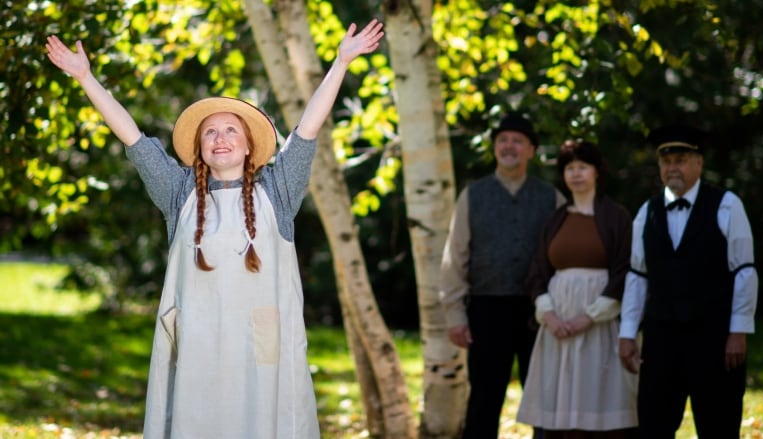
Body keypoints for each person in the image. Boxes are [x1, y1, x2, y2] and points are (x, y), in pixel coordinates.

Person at [46, 20, 383, 439]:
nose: (219, 139)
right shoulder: (179, 191)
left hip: (261, 348)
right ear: (200, 147)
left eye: (230, 131)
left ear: (248, 145)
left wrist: (341, 63)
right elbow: (133, 139)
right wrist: (85, 78)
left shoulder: (278, 189)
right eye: (210, 132)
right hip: (198, 345)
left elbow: (307, 131)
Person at [618, 125, 759, 439]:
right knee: (654, 423)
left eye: (680, 159)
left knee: (718, 423)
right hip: (661, 337)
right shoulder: (647, 211)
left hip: (714, 337)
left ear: (699, 163)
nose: (672, 168)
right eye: (666, 161)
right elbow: (637, 276)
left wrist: (738, 331)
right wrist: (628, 333)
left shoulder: (727, 204)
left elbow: (745, 271)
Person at [439, 112, 565, 438]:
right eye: (503, 140)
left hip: (538, 310)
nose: (509, 146)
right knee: (484, 398)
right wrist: (455, 314)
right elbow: (455, 258)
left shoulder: (551, 197)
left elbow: (564, 256)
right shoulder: (473, 195)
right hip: (486, 308)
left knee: (543, 396)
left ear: (531, 150)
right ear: (495, 148)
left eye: (518, 141)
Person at [516, 140, 638, 439]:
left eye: (583, 167)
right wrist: (551, 316)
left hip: (599, 327)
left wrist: (589, 317)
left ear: (597, 172)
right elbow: (538, 272)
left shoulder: (615, 216)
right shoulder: (556, 219)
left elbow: (626, 270)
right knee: (561, 404)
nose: (576, 174)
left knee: (599, 397)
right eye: (570, 168)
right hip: (558, 329)